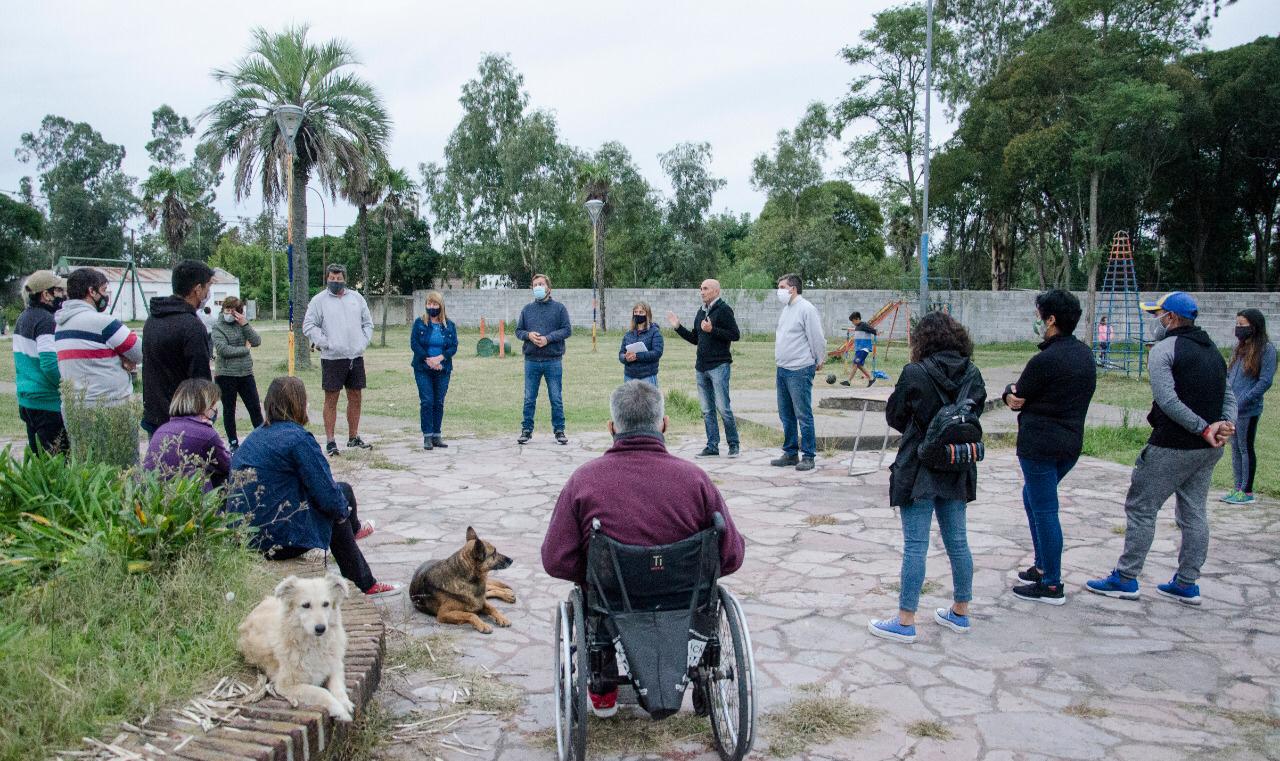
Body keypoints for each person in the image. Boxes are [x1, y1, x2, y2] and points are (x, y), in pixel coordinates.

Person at [542, 380, 746, 717]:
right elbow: (731, 556)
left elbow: (556, 560)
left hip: (613, 603)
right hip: (685, 603)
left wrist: (595, 574)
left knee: (593, 602)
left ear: (611, 428)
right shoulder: (695, 480)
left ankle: (604, 688)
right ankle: (697, 676)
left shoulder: (584, 481)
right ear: (664, 424)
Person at [1086, 292, 1235, 606]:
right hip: (1207, 449)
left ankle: (1125, 577)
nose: (1155, 321)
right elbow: (1229, 396)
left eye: (1158, 314)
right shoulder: (1212, 351)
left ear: (1172, 318)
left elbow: (1167, 401)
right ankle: (1187, 583)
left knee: (1141, 509)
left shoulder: (1165, 349)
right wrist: (1223, 425)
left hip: (1172, 445)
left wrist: (1205, 427)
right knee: (1194, 514)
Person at [869, 311, 986, 644]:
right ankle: (960, 610)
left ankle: (906, 619)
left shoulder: (915, 373)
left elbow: (895, 415)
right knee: (958, 542)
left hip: (919, 466)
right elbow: (975, 412)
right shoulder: (972, 373)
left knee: (915, 547)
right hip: (957, 463)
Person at [227, 376, 401, 597]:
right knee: (337, 507)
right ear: (298, 404)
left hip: (246, 534)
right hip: (279, 538)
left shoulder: (257, 434)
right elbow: (326, 493)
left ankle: (354, 533)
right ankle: (366, 582)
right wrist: (342, 514)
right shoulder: (298, 439)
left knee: (342, 496)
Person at [1003, 290, 1096, 605]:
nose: (1038, 320)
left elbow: (1018, 396)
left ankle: (1052, 584)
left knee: (1045, 510)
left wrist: (1008, 394)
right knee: (1032, 498)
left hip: (1040, 445)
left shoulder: (1045, 360)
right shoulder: (1084, 354)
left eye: (1041, 314)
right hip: (1070, 444)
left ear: (1052, 319)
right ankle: (1042, 566)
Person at [302, 263, 375, 456]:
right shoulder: (319, 300)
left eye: (339, 278)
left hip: (355, 355)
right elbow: (308, 325)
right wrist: (324, 342)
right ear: (327, 278)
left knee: (356, 397)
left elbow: (367, 323)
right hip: (333, 357)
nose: (336, 281)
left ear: (345, 278)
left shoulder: (356, 298)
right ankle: (331, 440)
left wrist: (363, 342)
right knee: (331, 398)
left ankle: (353, 436)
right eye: (332, 278)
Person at [667, 279, 741, 458]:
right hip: (701, 368)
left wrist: (712, 329)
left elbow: (735, 335)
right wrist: (678, 327)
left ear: (716, 291)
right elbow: (695, 338)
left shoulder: (724, 310)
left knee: (723, 408)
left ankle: (733, 445)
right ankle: (712, 446)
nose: (702, 291)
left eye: (705, 288)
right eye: (701, 289)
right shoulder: (701, 311)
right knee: (707, 410)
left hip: (719, 366)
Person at [142, 260, 215, 437]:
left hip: (155, 416)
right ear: (197, 289)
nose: (208, 293)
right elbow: (200, 378)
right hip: (183, 421)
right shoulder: (192, 326)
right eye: (208, 286)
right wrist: (205, 412)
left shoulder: (153, 320)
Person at [55, 267, 143, 409]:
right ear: (92, 291)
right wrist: (122, 357)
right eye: (103, 290)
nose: (106, 295)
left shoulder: (60, 325)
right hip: (108, 405)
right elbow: (140, 352)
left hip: (72, 406)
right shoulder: (104, 323)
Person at [771, 274, 826, 472]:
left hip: (800, 369)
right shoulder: (786, 310)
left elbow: (816, 336)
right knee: (786, 414)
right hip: (783, 368)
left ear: (792, 289)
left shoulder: (806, 309)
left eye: (782, 286)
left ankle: (809, 455)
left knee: (803, 413)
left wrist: (819, 359)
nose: (779, 291)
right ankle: (791, 452)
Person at [1222, 308, 1274, 505]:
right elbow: (1230, 375)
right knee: (1234, 447)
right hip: (1232, 408)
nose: (1239, 328)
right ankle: (1237, 488)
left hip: (1248, 409)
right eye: (1237, 324)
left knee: (1245, 447)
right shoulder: (1239, 348)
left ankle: (1247, 490)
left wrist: (1244, 399)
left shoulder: (1266, 350)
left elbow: (1265, 381)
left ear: (1254, 326)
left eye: (1243, 325)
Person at [143, 378, 231, 491]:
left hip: (153, 495)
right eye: (213, 407)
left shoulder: (162, 429)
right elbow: (228, 465)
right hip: (182, 499)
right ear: (204, 407)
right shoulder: (206, 433)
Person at [14, 270, 67, 454]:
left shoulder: (24, 317)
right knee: (57, 463)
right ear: (46, 294)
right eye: (59, 290)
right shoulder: (46, 321)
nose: (62, 295)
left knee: (41, 464)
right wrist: (68, 388)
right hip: (47, 402)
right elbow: (49, 364)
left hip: (27, 401)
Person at [516, 274, 572, 445]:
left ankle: (559, 430)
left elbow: (567, 330)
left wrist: (548, 338)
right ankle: (526, 429)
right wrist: (528, 335)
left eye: (541, 284)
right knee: (529, 397)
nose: (538, 287)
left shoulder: (559, 309)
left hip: (553, 360)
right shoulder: (527, 310)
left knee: (555, 397)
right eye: (535, 285)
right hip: (531, 360)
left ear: (549, 288)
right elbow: (519, 331)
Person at [211, 296, 263, 453]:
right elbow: (223, 350)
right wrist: (245, 350)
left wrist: (245, 324)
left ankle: (261, 439)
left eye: (233, 311)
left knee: (254, 408)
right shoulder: (217, 327)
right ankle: (233, 442)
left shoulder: (242, 324)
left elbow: (256, 341)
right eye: (227, 310)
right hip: (226, 374)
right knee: (229, 409)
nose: (229, 313)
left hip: (245, 373)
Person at [410, 291, 459, 451]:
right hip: (423, 367)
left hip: (442, 368)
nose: (432, 307)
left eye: (435, 304)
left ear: (441, 306)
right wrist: (428, 360)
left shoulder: (449, 325)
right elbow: (415, 344)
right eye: (429, 304)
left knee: (438, 402)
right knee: (427, 401)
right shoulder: (419, 323)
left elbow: (453, 346)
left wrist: (440, 359)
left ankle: (437, 435)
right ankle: (427, 436)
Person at [619, 301, 664, 386]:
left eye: (641, 312)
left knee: (649, 400)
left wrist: (637, 356)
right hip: (629, 377)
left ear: (647, 314)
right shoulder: (628, 334)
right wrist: (625, 357)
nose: (638, 314)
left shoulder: (655, 332)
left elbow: (657, 353)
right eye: (635, 312)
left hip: (647, 377)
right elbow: (621, 353)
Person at [842, 311, 878, 387]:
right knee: (858, 365)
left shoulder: (864, 325)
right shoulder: (857, 327)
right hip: (859, 349)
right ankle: (871, 379)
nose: (853, 323)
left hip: (864, 349)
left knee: (855, 364)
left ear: (857, 319)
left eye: (853, 321)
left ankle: (848, 381)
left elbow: (874, 331)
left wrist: (875, 332)